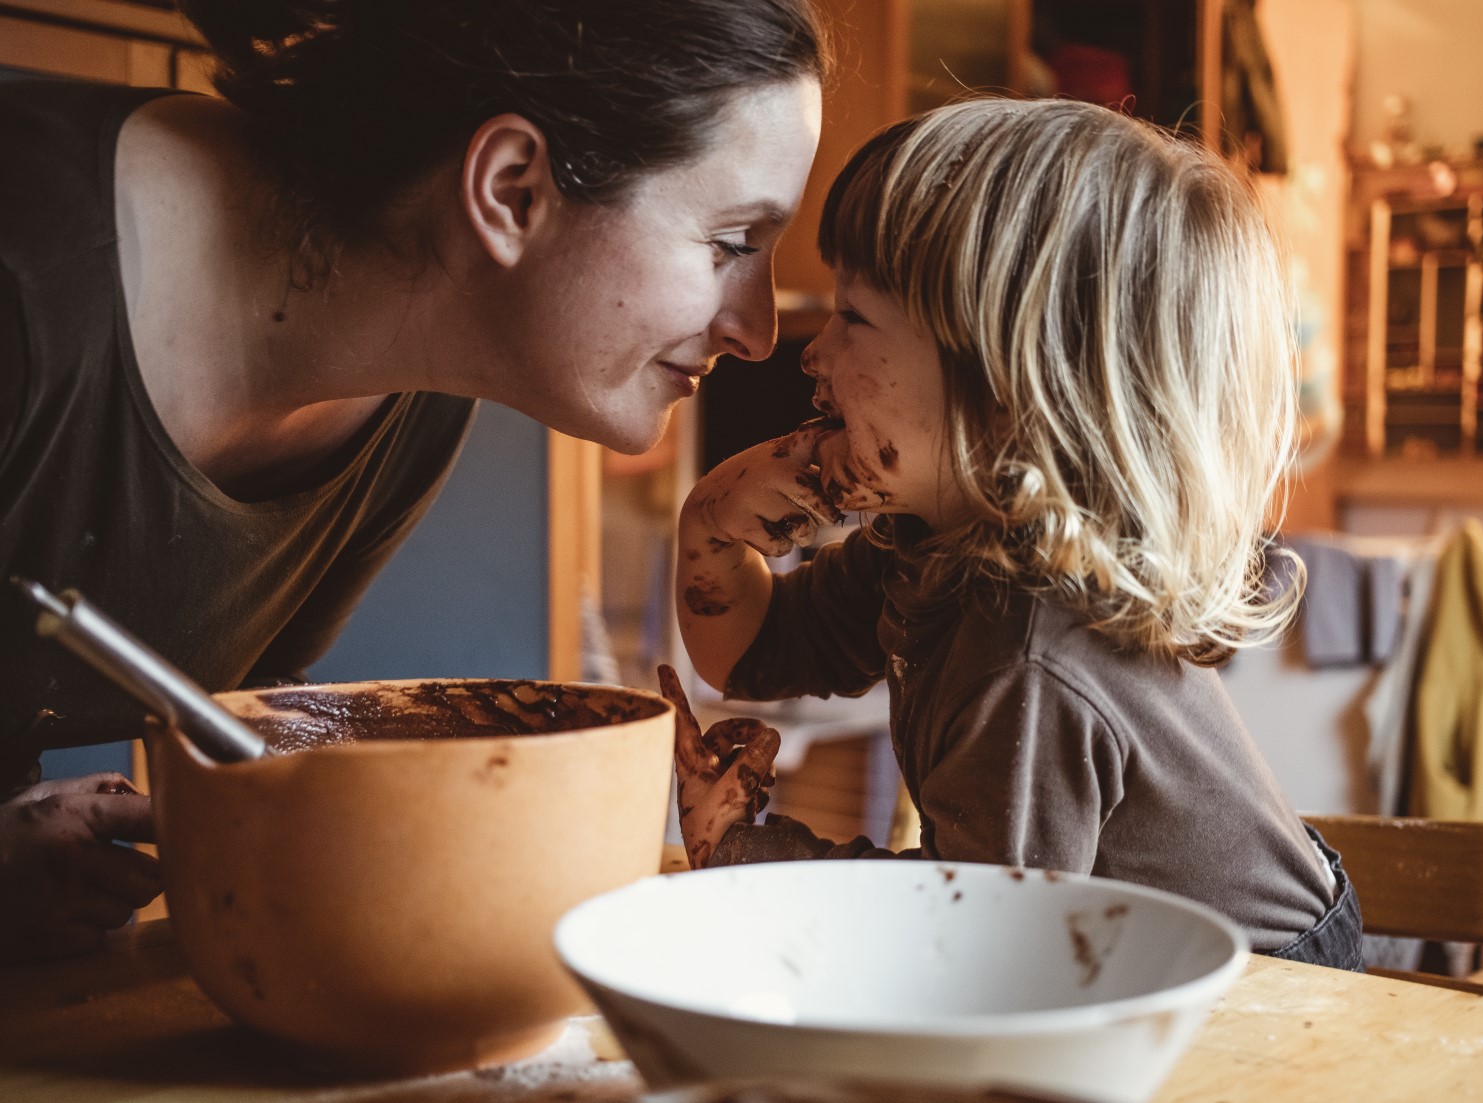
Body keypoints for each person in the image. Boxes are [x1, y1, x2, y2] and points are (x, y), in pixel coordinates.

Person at [0, 0, 828, 963]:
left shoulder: (415, 394)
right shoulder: (26, 291)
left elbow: (250, 734)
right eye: (731, 244)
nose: (759, 330)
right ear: (513, 190)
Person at [665, 96, 1363, 970]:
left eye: (854, 317)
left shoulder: (1029, 650)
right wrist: (712, 525)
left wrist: (746, 854)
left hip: (1268, 999)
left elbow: (975, 952)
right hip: (1100, 966)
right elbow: (752, 653)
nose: (810, 354)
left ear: (1005, 387)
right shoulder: (929, 544)